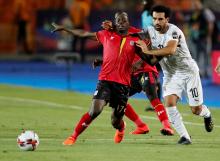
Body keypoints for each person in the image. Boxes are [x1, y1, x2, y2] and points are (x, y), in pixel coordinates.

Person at [52, 11, 149, 145]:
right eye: (118, 21)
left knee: (115, 121)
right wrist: (65, 29)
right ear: (115, 23)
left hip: (123, 85)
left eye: (124, 21)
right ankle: (73, 137)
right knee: (95, 110)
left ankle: (121, 128)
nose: (121, 23)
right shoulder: (105, 34)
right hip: (105, 80)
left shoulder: (136, 39)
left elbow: (148, 54)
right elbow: (84, 34)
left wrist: (139, 63)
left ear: (128, 23)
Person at [136, 5, 214, 145]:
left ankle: (206, 114)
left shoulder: (174, 31)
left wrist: (147, 51)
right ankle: (185, 137)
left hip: (188, 72)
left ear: (167, 19)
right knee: (169, 104)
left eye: (160, 19)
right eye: (154, 19)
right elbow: (133, 35)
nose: (157, 22)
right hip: (171, 74)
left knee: (195, 110)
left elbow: (170, 50)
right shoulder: (151, 31)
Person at [189, 0, 216, 77]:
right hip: (196, 38)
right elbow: (191, 25)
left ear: (200, 4)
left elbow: (210, 24)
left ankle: (207, 72)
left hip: (204, 38)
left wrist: (209, 36)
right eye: (194, 4)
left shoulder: (205, 12)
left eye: (196, 3)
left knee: (206, 55)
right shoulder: (194, 14)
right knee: (197, 55)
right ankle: (199, 72)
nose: (195, 5)